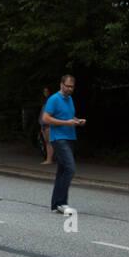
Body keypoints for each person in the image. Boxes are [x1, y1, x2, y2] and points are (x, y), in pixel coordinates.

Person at [40, 74, 85, 214]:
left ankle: (56, 204)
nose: (70, 89)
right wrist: (67, 123)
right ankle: (62, 203)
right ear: (61, 85)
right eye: (67, 86)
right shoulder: (54, 99)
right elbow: (45, 118)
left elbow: (68, 117)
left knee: (62, 171)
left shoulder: (70, 99)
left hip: (70, 137)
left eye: (72, 86)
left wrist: (77, 121)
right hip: (58, 138)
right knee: (70, 169)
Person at [39, 86, 55, 164]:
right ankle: (48, 159)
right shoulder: (44, 102)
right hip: (43, 124)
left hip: (48, 124)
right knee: (47, 142)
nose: (45, 93)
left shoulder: (51, 101)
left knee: (50, 141)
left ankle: (50, 159)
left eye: (47, 91)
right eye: (44, 91)